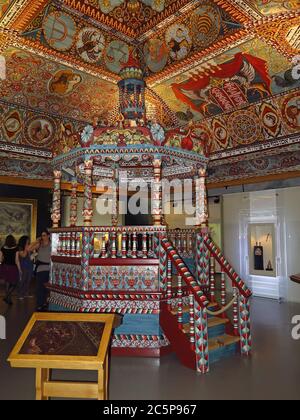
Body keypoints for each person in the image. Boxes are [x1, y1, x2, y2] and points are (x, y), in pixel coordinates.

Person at [31, 229, 51, 311]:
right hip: (40, 268)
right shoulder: (39, 244)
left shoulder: (52, 244)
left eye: (44, 235)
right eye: (42, 235)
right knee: (40, 287)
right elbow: (29, 248)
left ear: (48, 236)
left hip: (49, 268)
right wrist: (36, 241)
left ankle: (45, 303)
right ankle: (40, 303)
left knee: (47, 288)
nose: (43, 237)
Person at [0, 235, 19, 305]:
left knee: (7, 283)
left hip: (5, 266)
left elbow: (0, 259)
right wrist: (19, 269)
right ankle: (6, 297)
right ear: (13, 240)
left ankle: (8, 299)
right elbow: (16, 260)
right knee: (14, 283)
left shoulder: (3, 248)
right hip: (12, 267)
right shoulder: (16, 248)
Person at [16, 236, 34, 300]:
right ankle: (20, 294)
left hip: (30, 264)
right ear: (24, 240)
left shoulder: (28, 246)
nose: (28, 241)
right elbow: (23, 255)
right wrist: (26, 249)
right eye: (27, 240)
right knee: (22, 280)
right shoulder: (20, 247)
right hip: (23, 265)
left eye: (28, 240)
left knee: (28, 280)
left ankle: (26, 293)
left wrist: (33, 254)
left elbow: (30, 256)